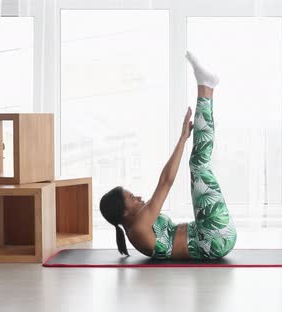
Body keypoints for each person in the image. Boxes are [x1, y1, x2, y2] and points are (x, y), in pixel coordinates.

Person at [99, 52, 236, 260]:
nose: (137, 197)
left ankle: (207, 88)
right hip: (213, 240)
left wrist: (183, 139)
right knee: (199, 165)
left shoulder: (137, 224)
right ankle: (206, 88)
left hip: (209, 234)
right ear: (124, 212)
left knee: (198, 164)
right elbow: (166, 182)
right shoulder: (138, 227)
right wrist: (182, 139)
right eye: (130, 198)